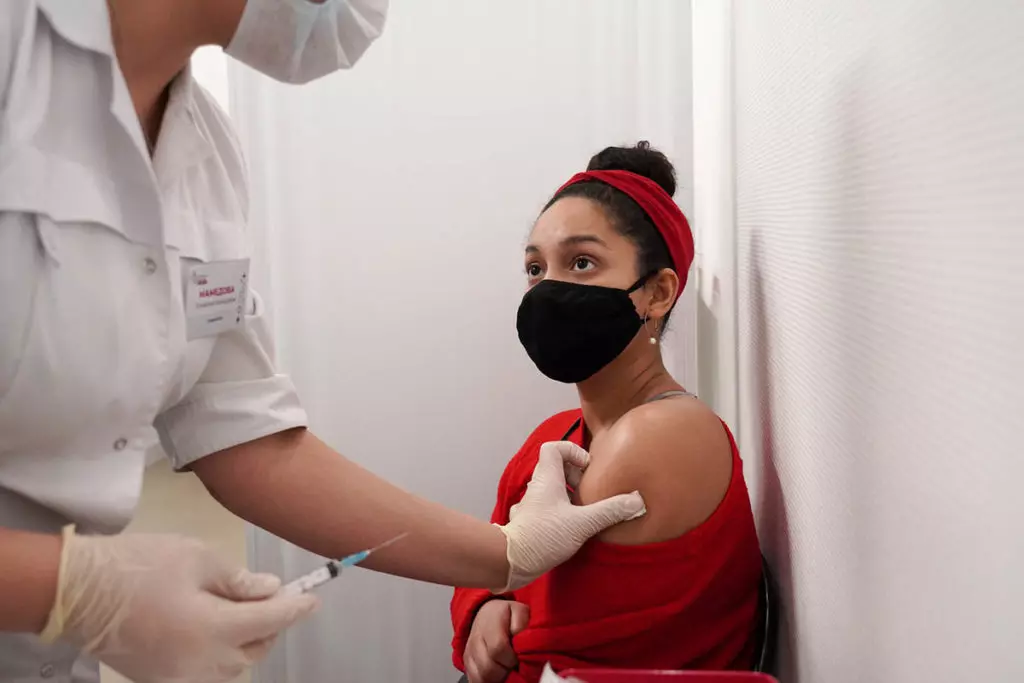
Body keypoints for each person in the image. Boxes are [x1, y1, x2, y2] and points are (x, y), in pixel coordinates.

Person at [0, 2, 647, 682]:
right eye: (537, 266)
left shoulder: (203, 151)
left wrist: (504, 554)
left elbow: (244, 435)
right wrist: (71, 589)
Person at [450, 143, 764, 683]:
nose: (548, 289)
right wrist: (485, 605)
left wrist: (497, 592)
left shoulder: (658, 437)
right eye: (535, 268)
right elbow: (489, 560)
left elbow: (549, 656)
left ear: (657, 293)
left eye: (581, 262)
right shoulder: (555, 435)